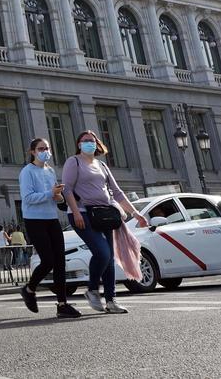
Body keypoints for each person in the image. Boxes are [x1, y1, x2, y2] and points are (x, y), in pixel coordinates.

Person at [63, 130, 148, 315]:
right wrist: (76, 212)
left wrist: (135, 213)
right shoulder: (74, 162)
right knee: (102, 252)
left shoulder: (102, 165)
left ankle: (111, 300)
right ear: (78, 144)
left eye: (92, 141)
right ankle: (93, 289)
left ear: (97, 144)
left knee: (109, 258)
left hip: (105, 215)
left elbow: (117, 192)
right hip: (83, 213)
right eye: (85, 141)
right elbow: (67, 189)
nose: (89, 144)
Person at [18, 137, 82, 318]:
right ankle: (29, 289)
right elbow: (28, 197)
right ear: (32, 152)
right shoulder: (27, 172)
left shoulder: (51, 170)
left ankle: (62, 304)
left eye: (47, 148)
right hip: (34, 219)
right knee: (48, 261)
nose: (45, 151)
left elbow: (55, 197)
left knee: (60, 262)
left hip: (51, 218)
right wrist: (50, 193)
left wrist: (58, 196)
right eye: (41, 148)